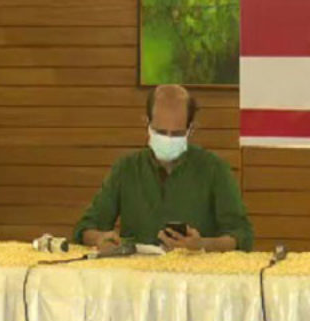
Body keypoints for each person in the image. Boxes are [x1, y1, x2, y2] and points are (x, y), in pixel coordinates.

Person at [74, 85, 253, 252]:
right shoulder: (126, 169)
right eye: (160, 132)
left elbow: (242, 235)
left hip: (195, 272)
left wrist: (202, 245)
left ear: (190, 129)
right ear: (147, 124)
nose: (168, 138)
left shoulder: (214, 169)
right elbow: (85, 228)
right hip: (137, 272)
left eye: (176, 134)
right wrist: (98, 239)